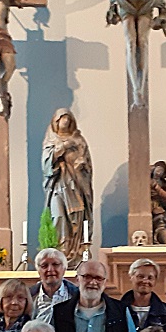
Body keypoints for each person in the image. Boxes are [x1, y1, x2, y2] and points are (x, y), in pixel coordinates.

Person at [42, 109, 94, 266]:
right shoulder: (51, 141)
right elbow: (46, 166)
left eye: (67, 118)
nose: (65, 121)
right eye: (61, 118)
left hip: (76, 186)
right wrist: (63, 147)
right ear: (55, 122)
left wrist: (82, 166)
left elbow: (87, 164)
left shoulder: (79, 140)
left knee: (76, 219)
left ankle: (75, 252)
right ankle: (60, 252)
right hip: (58, 186)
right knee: (58, 216)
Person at [106, 0, 166, 108]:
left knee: (143, 43)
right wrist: (113, 10)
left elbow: (162, 6)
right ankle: (136, 89)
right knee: (130, 43)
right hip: (126, 4)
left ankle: (141, 88)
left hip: (145, 5)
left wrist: (162, 16)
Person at [120, 258, 166, 332]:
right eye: (140, 276)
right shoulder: (117, 311)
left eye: (150, 278)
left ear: (155, 281)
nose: (145, 281)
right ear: (131, 277)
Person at [31, 248, 79, 324]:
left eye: (55, 264)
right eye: (44, 265)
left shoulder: (76, 295)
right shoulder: (30, 296)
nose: (50, 269)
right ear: (38, 271)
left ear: (64, 269)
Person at [150, 161, 166, 245]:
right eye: (157, 170)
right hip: (148, 207)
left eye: (161, 171)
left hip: (159, 206)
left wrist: (157, 188)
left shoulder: (164, 184)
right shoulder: (147, 181)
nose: (158, 173)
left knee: (161, 225)